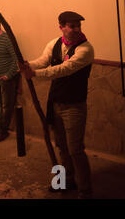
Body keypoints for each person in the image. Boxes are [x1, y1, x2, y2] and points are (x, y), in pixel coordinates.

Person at [20, 11, 94, 199]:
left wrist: (35, 75)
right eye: (72, 26)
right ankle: (65, 180)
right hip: (55, 103)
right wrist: (29, 65)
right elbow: (43, 61)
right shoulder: (54, 44)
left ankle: (85, 190)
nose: (77, 29)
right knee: (61, 146)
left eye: (78, 25)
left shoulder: (85, 49)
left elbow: (64, 69)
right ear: (61, 27)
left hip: (74, 106)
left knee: (75, 149)